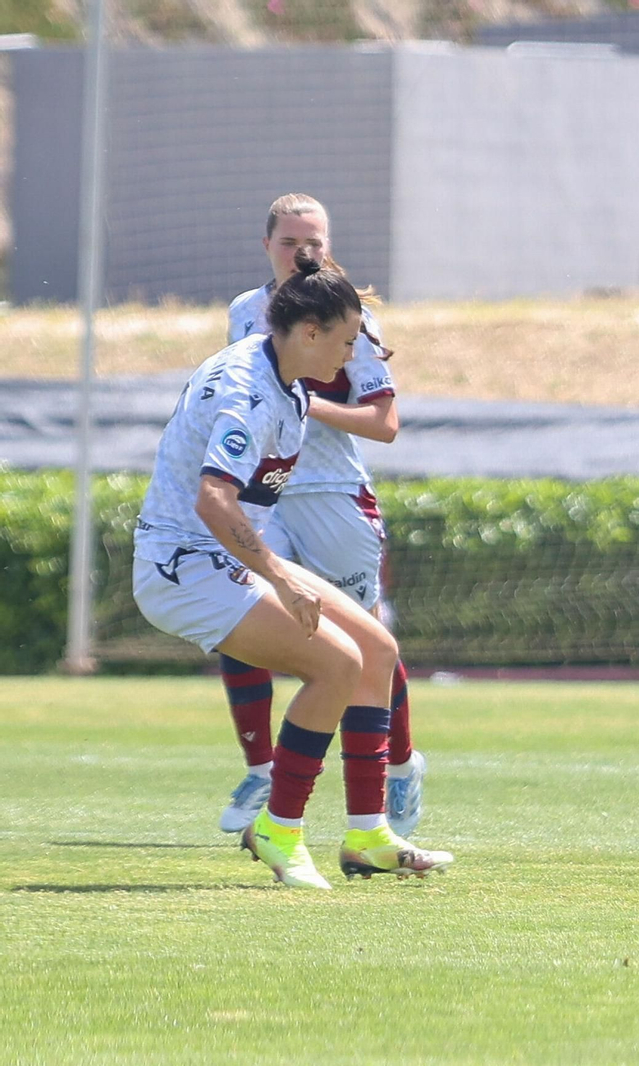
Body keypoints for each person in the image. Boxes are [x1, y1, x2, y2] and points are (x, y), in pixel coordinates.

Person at [132, 252, 453, 889]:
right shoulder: (249, 387)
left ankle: (367, 835)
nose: (350, 356)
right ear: (309, 332)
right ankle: (280, 826)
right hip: (181, 565)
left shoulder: (290, 387)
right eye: (344, 341)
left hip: (220, 556)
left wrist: (275, 571)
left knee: (377, 649)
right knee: (335, 665)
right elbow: (213, 500)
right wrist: (279, 575)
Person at [216, 194, 427, 839]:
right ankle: (263, 769)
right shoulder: (245, 314)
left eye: (315, 242)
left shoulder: (351, 318)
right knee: (236, 610)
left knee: (369, 645)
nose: (303, 253)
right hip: (271, 489)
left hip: (336, 493)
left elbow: (385, 425)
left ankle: (399, 769)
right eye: (290, 242)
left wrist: (305, 401)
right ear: (267, 246)